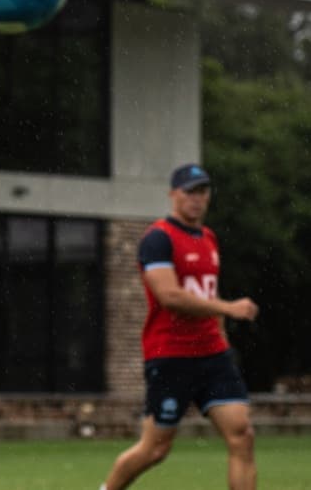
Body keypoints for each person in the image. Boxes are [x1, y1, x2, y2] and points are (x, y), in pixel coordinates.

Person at [100, 164, 260, 490]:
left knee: (242, 435)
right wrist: (228, 308)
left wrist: (222, 337)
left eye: (202, 191)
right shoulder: (158, 239)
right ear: (173, 194)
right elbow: (169, 296)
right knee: (155, 449)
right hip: (171, 355)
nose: (196, 198)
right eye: (189, 191)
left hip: (213, 355)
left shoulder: (208, 238)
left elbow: (205, 292)